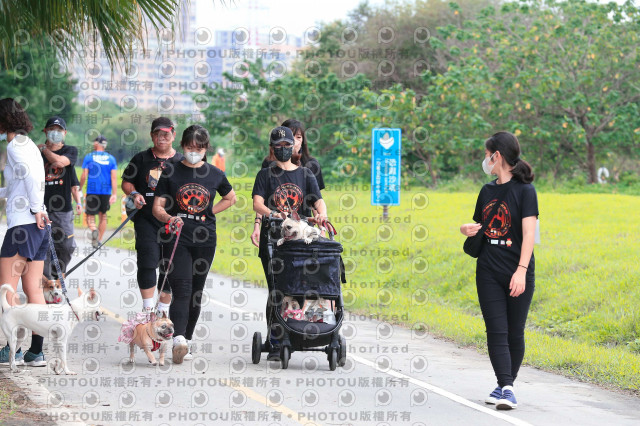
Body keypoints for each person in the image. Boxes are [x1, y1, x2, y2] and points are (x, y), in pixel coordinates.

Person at [459, 131, 538, 410]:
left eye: (486, 155)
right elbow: (482, 226)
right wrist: (465, 229)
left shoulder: (526, 191)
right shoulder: (486, 191)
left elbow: (529, 234)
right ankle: (506, 387)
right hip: (488, 270)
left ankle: (505, 386)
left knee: (515, 332)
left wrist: (521, 270)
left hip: (517, 269)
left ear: (497, 156)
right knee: (495, 331)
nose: (484, 160)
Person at [152, 125, 236, 364]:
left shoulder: (215, 173)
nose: (194, 152)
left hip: (205, 239)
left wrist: (209, 212)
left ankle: (186, 340)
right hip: (178, 236)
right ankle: (177, 338)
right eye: (190, 147)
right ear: (183, 146)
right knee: (182, 289)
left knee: (196, 292)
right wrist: (170, 218)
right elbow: (157, 207)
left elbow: (231, 198)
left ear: (206, 149)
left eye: (199, 148)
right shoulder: (170, 171)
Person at [251, 126, 327, 361]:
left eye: (287, 145)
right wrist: (273, 214)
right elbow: (257, 203)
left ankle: (297, 333)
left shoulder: (306, 174)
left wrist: (322, 215)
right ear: (272, 149)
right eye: (279, 146)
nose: (283, 149)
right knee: (277, 289)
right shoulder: (265, 175)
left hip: (300, 241)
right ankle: (275, 340)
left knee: (300, 287)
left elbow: (319, 202)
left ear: (294, 147)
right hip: (273, 239)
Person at [0, 98, 50, 367]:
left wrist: (35, 208)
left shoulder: (14, 146)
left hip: (23, 225)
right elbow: (19, 184)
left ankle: (12, 350)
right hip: (36, 225)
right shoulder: (27, 143)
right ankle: (35, 352)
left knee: (7, 289)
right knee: (34, 289)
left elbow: (30, 177)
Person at [122, 117, 184, 317]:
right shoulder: (141, 159)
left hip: (173, 221)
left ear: (173, 135)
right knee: (147, 261)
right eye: (158, 134)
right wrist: (134, 194)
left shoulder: (182, 161)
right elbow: (126, 182)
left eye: (166, 134)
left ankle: (163, 311)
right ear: (152, 135)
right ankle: (148, 309)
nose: (162, 137)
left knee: (170, 265)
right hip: (146, 219)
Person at [37, 116, 79, 280]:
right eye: (52, 129)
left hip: (63, 210)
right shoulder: (36, 154)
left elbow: (60, 163)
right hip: (41, 208)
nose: (55, 132)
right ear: (45, 131)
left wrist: (44, 150)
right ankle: (48, 283)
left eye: (59, 130)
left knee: (67, 246)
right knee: (44, 247)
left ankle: (57, 274)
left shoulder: (70, 151)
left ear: (65, 133)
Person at [261, 119, 325, 190]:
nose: (294, 141)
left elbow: (316, 194)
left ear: (303, 140)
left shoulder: (312, 164)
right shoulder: (269, 163)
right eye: (290, 136)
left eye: (298, 137)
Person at [79, 135, 117, 248]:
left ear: (96, 143)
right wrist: (114, 194)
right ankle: (98, 240)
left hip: (92, 190)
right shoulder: (111, 159)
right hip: (106, 192)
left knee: (90, 216)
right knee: (103, 216)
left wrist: (79, 188)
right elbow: (114, 178)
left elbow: (84, 175)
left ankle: (94, 229)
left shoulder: (89, 157)